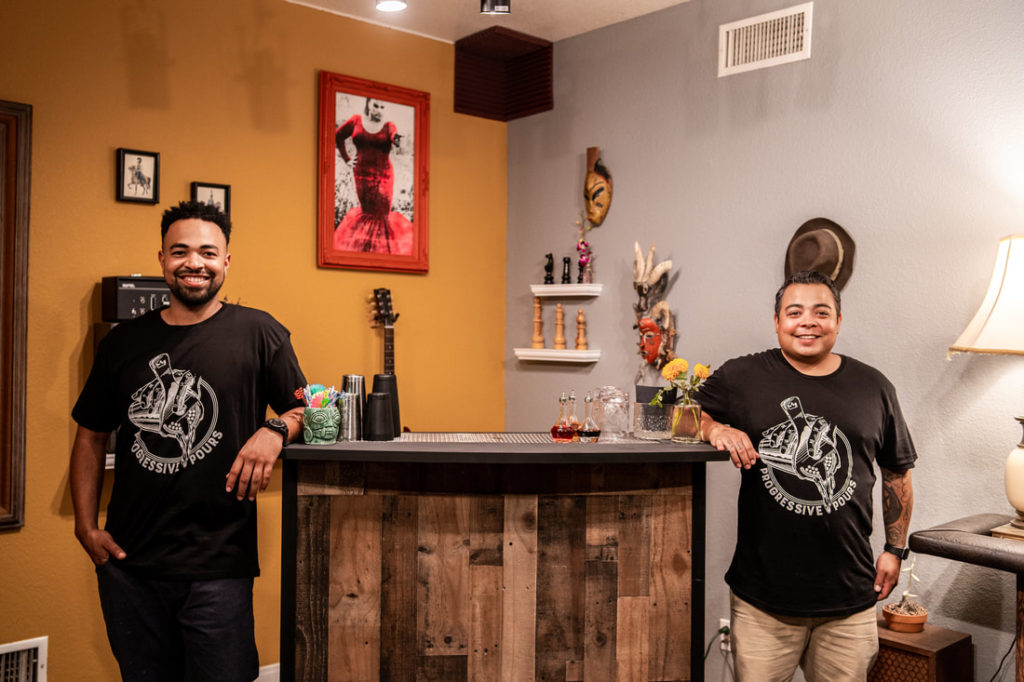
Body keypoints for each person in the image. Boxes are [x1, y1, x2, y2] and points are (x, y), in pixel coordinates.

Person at [70, 200, 307, 681]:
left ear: (226, 261)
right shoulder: (122, 343)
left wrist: (275, 429)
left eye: (207, 252)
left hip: (219, 564)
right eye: (180, 252)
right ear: (161, 259)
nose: (194, 263)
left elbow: (313, 406)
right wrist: (84, 526)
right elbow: (90, 434)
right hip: (129, 563)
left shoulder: (259, 332)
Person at [698, 269, 916, 681]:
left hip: (849, 596)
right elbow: (679, 415)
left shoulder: (874, 387)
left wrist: (895, 549)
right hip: (763, 599)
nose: (808, 321)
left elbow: (897, 472)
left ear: (838, 321)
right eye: (794, 311)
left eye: (822, 312)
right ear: (777, 320)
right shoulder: (743, 377)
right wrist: (717, 428)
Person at [334, 97, 413, 255]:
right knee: (366, 212)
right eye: (376, 105)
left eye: (382, 107)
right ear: (368, 104)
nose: (379, 110)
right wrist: (347, 159)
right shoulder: (356, 121)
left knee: (380, 216)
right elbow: (338, 136)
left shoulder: (388, 126)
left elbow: (393, 135)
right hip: (361, 176)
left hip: (383, 178)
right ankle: (365, 252)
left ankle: (381, 254)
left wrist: (396, 139)